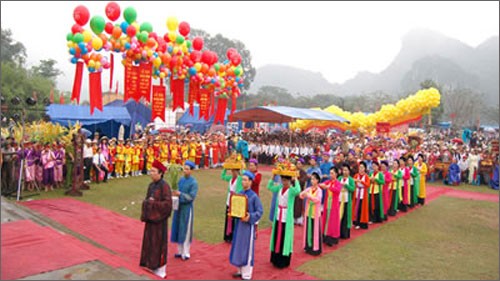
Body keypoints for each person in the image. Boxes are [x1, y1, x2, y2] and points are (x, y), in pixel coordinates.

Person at [140, 160, 173, 279]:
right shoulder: (151, 186)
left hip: (160, 221)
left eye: (153, 171)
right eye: (150, 171)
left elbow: (168, 205)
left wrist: (154, 205)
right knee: (150, 243)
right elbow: (147, 200)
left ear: (160, 173)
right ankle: (151, 264)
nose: (151, 173)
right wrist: (147, 204)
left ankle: (161, 268)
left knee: (159, 244)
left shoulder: (165, 186)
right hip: (151, 220)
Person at [229, 170, 263, 280]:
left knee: (247, 248)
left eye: (245, 180)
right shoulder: (240, 193)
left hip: (248, 226)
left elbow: (260, 211)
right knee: (238, 246)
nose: (243, 182)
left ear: (250, 182)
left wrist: (250, 217)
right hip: (239, 225)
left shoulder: (254, 196)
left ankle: (247, 273)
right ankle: (239, 269)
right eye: (242, 180)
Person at [267, 173, 300, 268]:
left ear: (289, 181)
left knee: (284, 237)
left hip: (286, 216)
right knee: (277, 235)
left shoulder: (291, 190)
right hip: (278, 215)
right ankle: (275, 258)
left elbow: (298, 191)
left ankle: (283, 260)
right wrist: (272, 178)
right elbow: (270, 187)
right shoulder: (279, 188)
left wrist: (295, 180)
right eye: (283, 180)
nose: (284, 182)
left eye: (286, 180)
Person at [171, 160, 199, 261]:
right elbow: (176, 190)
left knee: (186, 229)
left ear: (191, 171)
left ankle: (186, 252)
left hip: (187, 209)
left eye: (187, 169)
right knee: (178, 227)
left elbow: (191, 197)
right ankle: (179, 250)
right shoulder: (181, 180)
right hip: (179, 207)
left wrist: (180, 195)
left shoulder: (193, 183)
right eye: (184, 168)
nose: (185, 171)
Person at [299, 172, 323, 256]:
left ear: (317, 180)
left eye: (313, 179)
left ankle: (315, 248)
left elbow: (317, 200)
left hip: (315, 214)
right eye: (311, 179)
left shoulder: (319, 190)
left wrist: (308, 196)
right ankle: (308, 246)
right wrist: (303, 194)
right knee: (308, 229)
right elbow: (301, 195)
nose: (312, 181)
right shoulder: (309, 189)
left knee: (314, 230)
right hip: (308, 212)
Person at [319, 167, 342, 246]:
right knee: (326, 219)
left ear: (336, 174)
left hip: (334, 204)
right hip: (327, 202)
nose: (331, 175)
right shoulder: (328, 181)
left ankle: (332, 237)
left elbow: (337, 190)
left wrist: (329, 187)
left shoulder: (337, 183)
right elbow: (321, 185)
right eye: (330, 173)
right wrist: (322, 185)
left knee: (333, 221)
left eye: (332, 173)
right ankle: (325, 235)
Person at [221, 167, 243, 242]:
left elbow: (241, 188)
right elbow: (222, 176)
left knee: (234, 219)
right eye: (232, 171)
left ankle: (234, 236)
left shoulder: (240, 179)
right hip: (229, 199)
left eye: (234, 171)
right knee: (228, 218)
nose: (233, 173)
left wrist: (241, 168)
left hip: (235, 200)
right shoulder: (230, 178)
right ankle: (227, 236)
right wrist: (225, 168)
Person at [337, 164, 355, 239]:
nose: (345, 172)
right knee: (339, 216)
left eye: (346, 170)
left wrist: (346, 186)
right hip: (340, 200)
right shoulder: (340, 178)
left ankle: (345, 233)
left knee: (346, 216)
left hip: (347, 200)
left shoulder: (350, 179)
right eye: (343, 170)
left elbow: (353, 189)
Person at [353, 162, 370, 229]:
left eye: (362, 167)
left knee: (361, 208)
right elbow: (353, 181)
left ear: (365, 168)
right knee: (356, 207)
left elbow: (368, 184)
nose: (360, 169)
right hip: (357, 192)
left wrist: (361, 181)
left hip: (363, 193)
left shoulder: (366, 176)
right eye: (360, 167)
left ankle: (362, 222)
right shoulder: (356, 175)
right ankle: (356, 221)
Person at [294, 158, 308, 225]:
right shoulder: (293, 171)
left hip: (300, 191)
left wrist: (296, 180)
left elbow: (303, 181)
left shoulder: (303, 173)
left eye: (300, 164)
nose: (298, 165)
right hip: (294, 191)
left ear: (302, 165)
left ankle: (299, 219)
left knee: (299, 205)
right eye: (297, 163)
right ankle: (293, 219)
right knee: (294, 204)